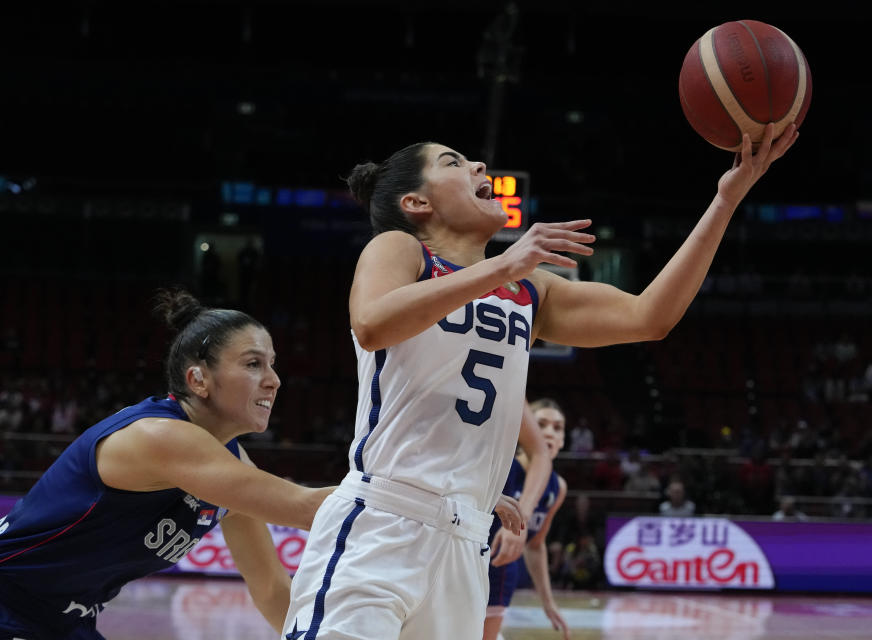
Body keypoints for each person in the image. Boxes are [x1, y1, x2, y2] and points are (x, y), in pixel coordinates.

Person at [283, 123, 798, 640]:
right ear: (417, 202)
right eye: (454, 162)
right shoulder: (402, 249)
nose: (479, 167)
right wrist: (503, 265)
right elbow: (372, 323)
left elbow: (650, 317)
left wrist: (725, 201)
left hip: (466, 544)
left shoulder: (529, 290)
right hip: (383, 522)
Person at [0, 289, 333, 640]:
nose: (274, 379)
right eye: (253, 363)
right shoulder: (160, 437)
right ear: (198, 380)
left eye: (272, 363)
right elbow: (309, 509)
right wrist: (396, 483)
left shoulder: (231, 461)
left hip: (65, 621)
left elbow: (272, 589)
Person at [484, 399, 570, 640]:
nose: (549, 432)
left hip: (499, 576)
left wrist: (548, 603)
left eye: (557, 427)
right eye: (540, 424)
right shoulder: (501, 467)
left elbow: (535, 545)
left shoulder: (557, 487)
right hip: (460, 566)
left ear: (563, 439)